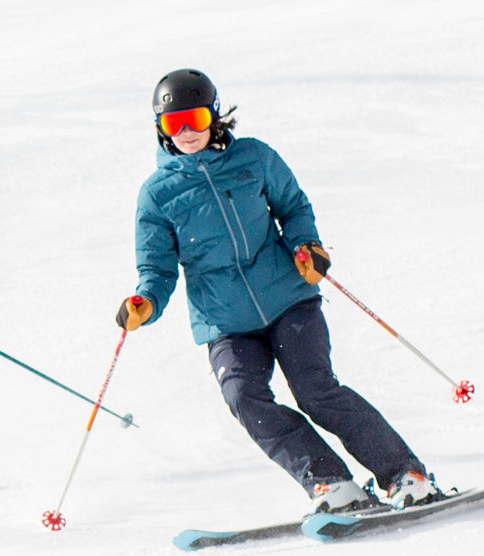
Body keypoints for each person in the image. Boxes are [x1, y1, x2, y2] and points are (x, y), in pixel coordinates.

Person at [117, 68, 438, 514]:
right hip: (225, 323)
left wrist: (307, 247)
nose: (187, 132)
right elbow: (156, 266)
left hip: (289, 300)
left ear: (213, 116)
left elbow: (293, 207)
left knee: (317, 391)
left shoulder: (255, 158)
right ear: (161, 128)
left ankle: (406, 473)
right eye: (174, 124)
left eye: (195, 119)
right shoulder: (157, 194)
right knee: (244, 398)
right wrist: (146, 302)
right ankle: (331, 483)